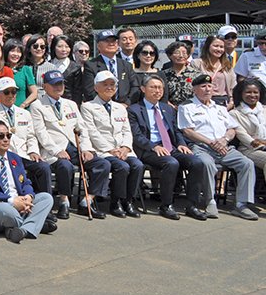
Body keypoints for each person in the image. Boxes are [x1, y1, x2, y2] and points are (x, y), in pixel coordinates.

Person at [29, 71, 111, 218]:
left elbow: (82, 128)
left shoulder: (71, 104)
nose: (58, 87)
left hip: (75, 147)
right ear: (45, 86)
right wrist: (56, 150)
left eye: (60, 83)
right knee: (65, 166)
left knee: (102, 164)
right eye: (54, 84)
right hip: (54, 150)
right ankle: (64, 201)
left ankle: (87, 201)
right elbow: (41, 133)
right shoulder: (37, 105)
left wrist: (86, 148)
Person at [178, 74, 258, 220]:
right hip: (201, 147)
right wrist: (211, 143)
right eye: (203, 86)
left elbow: (232, 128)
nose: (207, 89)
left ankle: (241, 205)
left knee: (247, 163)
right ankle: (210, 201)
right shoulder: (187, 107)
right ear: (194, 89)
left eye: (210, 86)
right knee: (206, 164)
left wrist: (225, 139)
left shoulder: (220, 108)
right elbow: (188, 131)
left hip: (223, 147)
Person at [127, 75, 207, 220]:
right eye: (153, 87)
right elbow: (136, 136)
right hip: (148, 150)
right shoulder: (134, 110)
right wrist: (153, 147)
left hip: (170, 147)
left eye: (160, 88)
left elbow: (176, 130)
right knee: (171, 163)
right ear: (143, 89)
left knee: (197, 162)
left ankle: (192, 206)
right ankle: (166, 205)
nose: (157, 91)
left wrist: (182, 144)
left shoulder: (167, 109)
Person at [0, 121, 56, 243]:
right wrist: (11, 200)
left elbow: (25, 182)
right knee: (7, 211)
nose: (6, 139)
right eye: (1, 136)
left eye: (8, 136)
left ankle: (22, 230)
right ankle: (34, 224)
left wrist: (28, 196)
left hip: (20, 201)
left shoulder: (14, 158)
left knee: (46, 198)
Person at [79, 71, 144, 218]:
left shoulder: (120, 108)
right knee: (122, 167)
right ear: (96, 88)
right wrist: (111, 149)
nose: (109, 87)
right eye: (105, 84)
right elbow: (92, 131)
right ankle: (116, 202)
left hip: (123, 149)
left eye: (112, 85)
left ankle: (129, 201)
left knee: (138, 165)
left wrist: (126, 147)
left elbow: (127, 130)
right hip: (104, 150)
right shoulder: (88, 107)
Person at [0, 77, 53, 209]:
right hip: (6, 155)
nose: (11, 95)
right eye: (6, 92)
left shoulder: (24, 113)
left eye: (13, 92)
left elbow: (31, 136)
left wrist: (33, 151)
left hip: (25, 155)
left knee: (43, 168)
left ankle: (45, 208)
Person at [81, 29, 139, 104]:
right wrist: (108, 105)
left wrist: (126, 103)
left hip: (125, 108)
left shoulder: (126, 65)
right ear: (98, 45)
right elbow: (89, 91)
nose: (111, 44)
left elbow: (135, 87)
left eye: (113, 41)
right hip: (101, 107)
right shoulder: (91, 65)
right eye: (107, 41)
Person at [230, 79, 266, 175]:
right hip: (250, 149)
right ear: (241, 94)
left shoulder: (264, 110)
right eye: (248, 92)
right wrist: (261, 144)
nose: (252, 95)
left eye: (255, 92)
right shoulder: (234, 114)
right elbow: (243, 136)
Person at [191, 34, 236, 108]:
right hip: (204, 102)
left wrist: (231, 102)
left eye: (221, 47)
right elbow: (193, 85)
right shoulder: (197, 63)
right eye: (215, 46)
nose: (219, 49)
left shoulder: (227, 65)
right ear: (208, 46)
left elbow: (233, 86)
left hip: (224, 103)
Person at [164, 41, 201, 107]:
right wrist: (171, 106)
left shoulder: (196, 74)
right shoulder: (163, 75)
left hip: (192, 110)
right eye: (177, 53)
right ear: (170, 55)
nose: (181, 56)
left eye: (184, 53)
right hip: (169, 110)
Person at [4, 38, 36, 108]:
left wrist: (24, 105)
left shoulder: (25, 69)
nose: (16, 54)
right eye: (12, 51)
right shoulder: (1, 69)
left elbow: (34, 93)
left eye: (19, 52)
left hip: (22, 110)